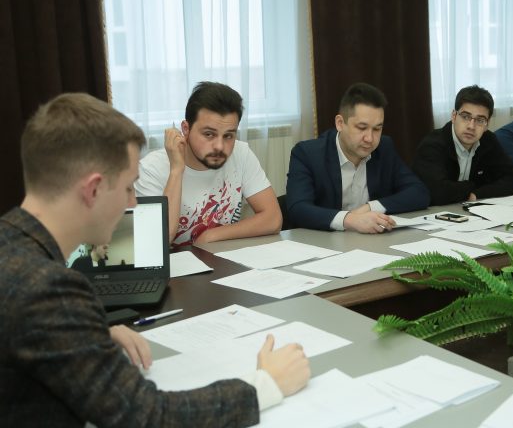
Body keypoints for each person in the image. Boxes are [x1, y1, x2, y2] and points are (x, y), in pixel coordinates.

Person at [0, 93, 310, 426]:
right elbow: (145, 415)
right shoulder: (49, 290)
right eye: (129, 188)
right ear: (93, 190)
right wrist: (265, 386)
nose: (134, 203)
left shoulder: (12, 245)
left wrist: (88, 334)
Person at [135, 82, 281, 249]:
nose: (219, 146)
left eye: (228, 136)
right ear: (186, 129)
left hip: (222, 257)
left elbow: (273, 219)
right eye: (209, 134)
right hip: (176, 263)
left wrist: (210, 235)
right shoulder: (151, 169)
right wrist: (176, 170)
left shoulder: (241, 153)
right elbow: (159, 241)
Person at [286, 83, 430, 233]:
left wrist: (370, 207)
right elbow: (298, 208)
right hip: (323, 242)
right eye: (362, 128)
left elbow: (419, 192)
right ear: (340, 123)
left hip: (372, 241)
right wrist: (350, 220)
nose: (370, 138)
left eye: (377, 129)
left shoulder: (384, 148)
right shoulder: (307, 154)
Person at [411, 85, 513, 205]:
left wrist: (477, 194)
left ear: (487, 124)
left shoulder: (488, 140)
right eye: (465, 117)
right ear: (454, 116)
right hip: (430, 212)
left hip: (467, 209)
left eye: (480, 120)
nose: (471, 126)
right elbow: (439, 193)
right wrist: (475, 185)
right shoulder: (432, 145)